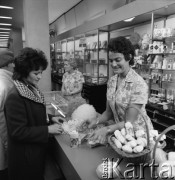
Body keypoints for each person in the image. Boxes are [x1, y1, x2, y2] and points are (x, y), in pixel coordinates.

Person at [4, 47, 63, 180]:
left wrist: (51, 118)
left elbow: (32, 114)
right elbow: (18, 131)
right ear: (24, 72)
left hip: (34, 153)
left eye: (41, 72)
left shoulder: (29, 88)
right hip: (24, 158)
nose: (40, 77)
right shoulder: (15, 96)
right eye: (36, 73)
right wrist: (48, 130)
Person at [89, 36, 153, 144]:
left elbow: (129, 122)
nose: (113, 64)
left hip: (140, 139)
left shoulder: (138, 84)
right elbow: (108, 113)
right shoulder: (112, 81)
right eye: (111, 60)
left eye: (118, 60)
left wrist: (107, 129)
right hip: (121, 135)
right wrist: (95, 122)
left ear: (129, 57)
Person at [0, 50, 15, 180]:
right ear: (8, 64)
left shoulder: (6, 79)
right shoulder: (4, 83)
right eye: (13, 62)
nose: (15, 65)